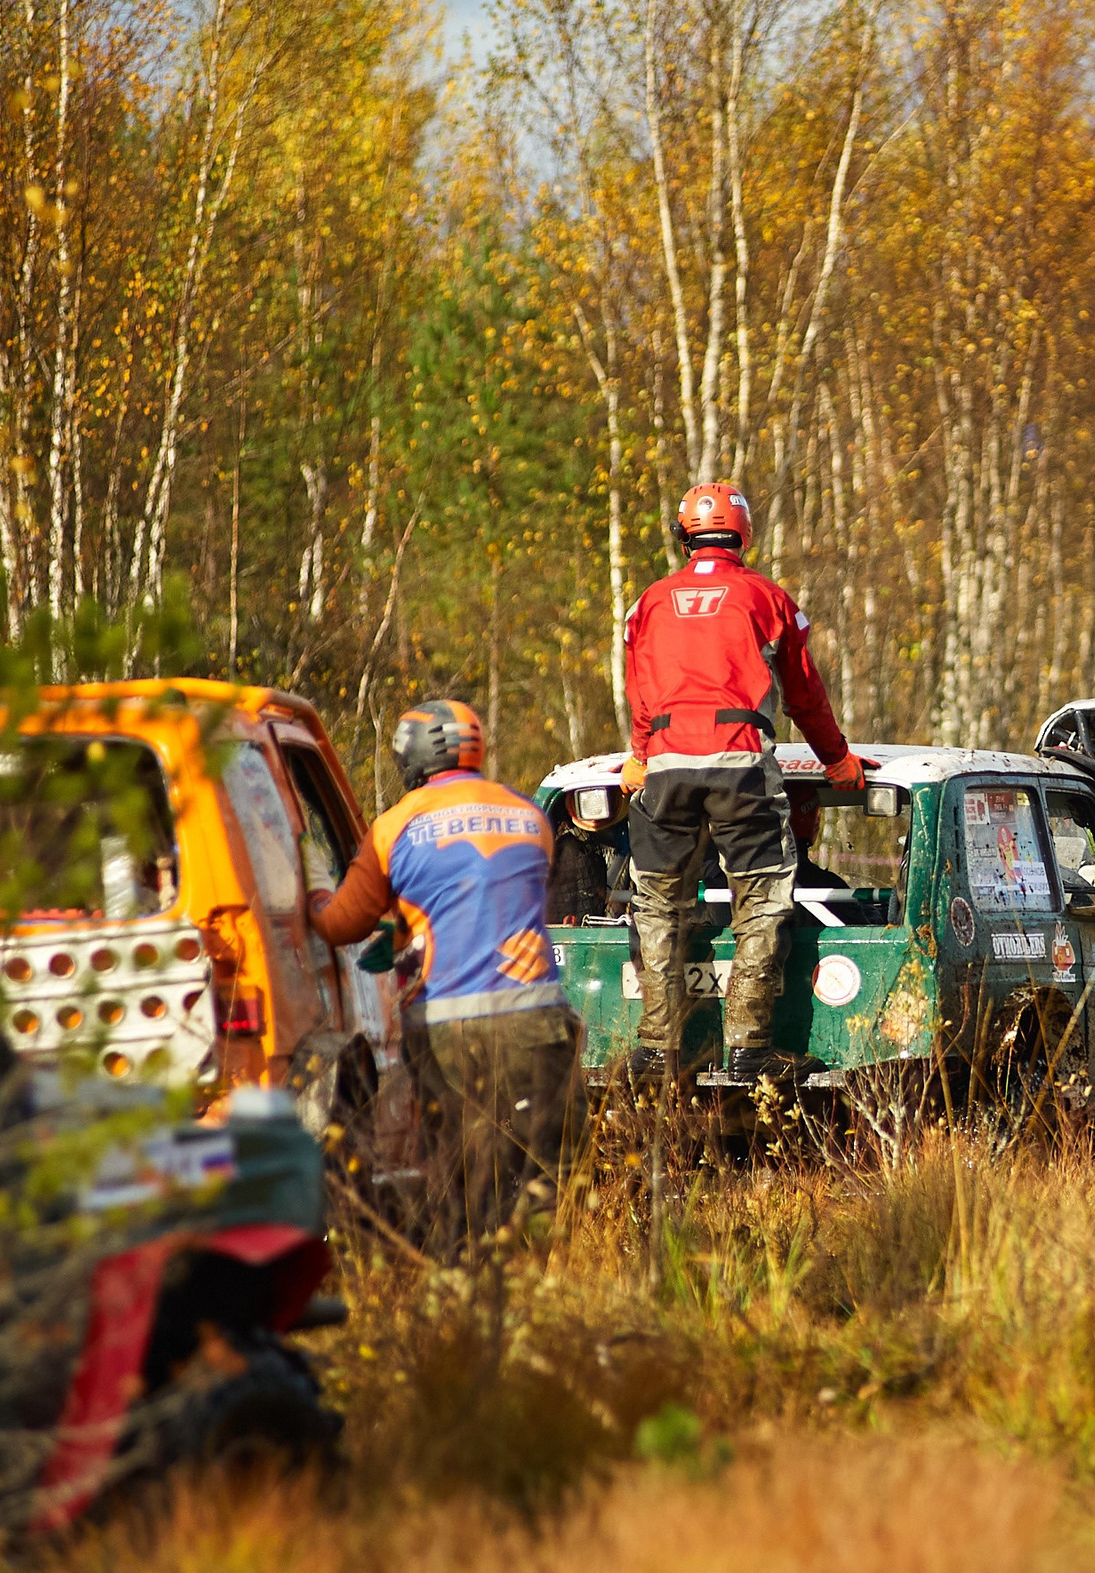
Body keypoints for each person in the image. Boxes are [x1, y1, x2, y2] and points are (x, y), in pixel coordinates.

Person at [309, 700, 578, 1253]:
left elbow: (342, 924)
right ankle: (537, 1288)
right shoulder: (531, 816)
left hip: (448, 1027)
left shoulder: (394, 826)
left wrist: (315, 896)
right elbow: (494, 899)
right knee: (540, 1170)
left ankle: (467, 1281)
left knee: (464, 1170)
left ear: (412, 757)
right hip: (535, 1016)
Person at [620, 482, 865, 1088]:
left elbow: (641, 690)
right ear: (744, 536)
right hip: (739, 762)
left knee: (655, 903)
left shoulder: (648, 602)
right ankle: (750, 1050)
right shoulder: (767, 597)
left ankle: (656, 1051)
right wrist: (837, 760)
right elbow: (804, 692)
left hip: (667, 762)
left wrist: (639, 755)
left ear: (684, 537)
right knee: (761, 899)